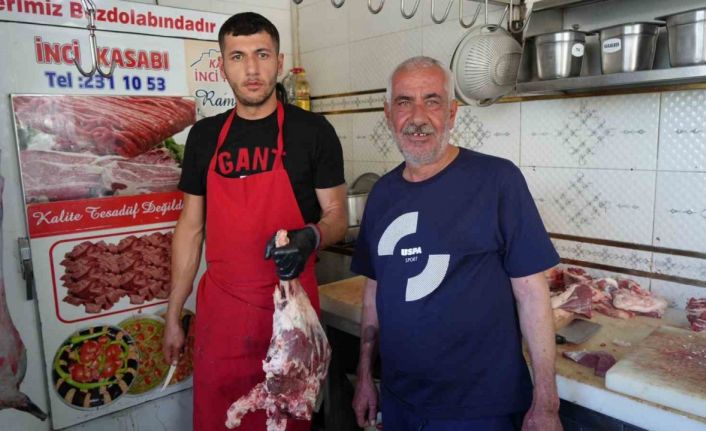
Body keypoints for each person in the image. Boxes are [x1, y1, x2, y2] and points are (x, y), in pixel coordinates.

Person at [350, 56, 563, 431]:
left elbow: (532, 294)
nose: (418, 117)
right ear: (388, 114)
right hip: (401, 403)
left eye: (432, 101)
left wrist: (546, 401)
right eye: (404, 102)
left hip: (481, 409)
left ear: (451, 113)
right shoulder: (381, 194)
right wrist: (365, 376)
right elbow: (374, 291)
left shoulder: (498, 181)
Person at [162, 12, 347, 431]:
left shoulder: (313, 132)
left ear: (278, 62)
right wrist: (174, 313)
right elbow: (190, 230)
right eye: (238, 56)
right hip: (222, 319)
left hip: (291, 317)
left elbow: (338, 216)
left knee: (285, 420)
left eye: (262, 54)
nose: (251, 69)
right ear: (223, 65)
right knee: (219, 420)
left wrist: (312, 235)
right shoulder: (204, 137)